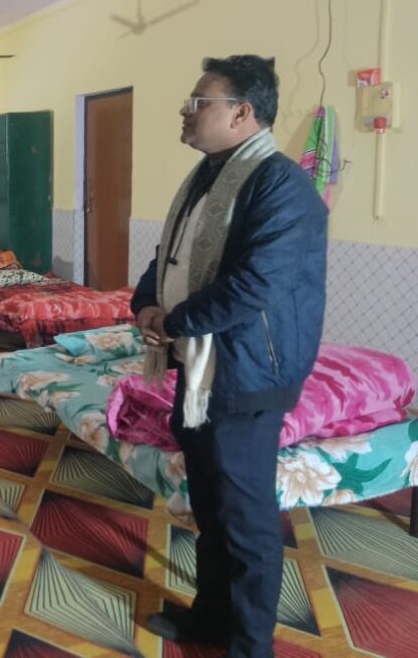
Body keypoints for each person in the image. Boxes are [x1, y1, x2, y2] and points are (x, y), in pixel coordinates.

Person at [131, 55, 328, 658]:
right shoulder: (207, 179)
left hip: (247, 374)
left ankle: (249, 644)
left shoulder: (281, 185)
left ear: (242, 113)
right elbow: (170, 256)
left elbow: (254, 285)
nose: (185, 111)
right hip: (200, 370)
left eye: (199, 102)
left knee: (244, 520)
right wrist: (145, 303)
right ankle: (211, 618)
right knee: (211, 508)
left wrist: (174, 321)